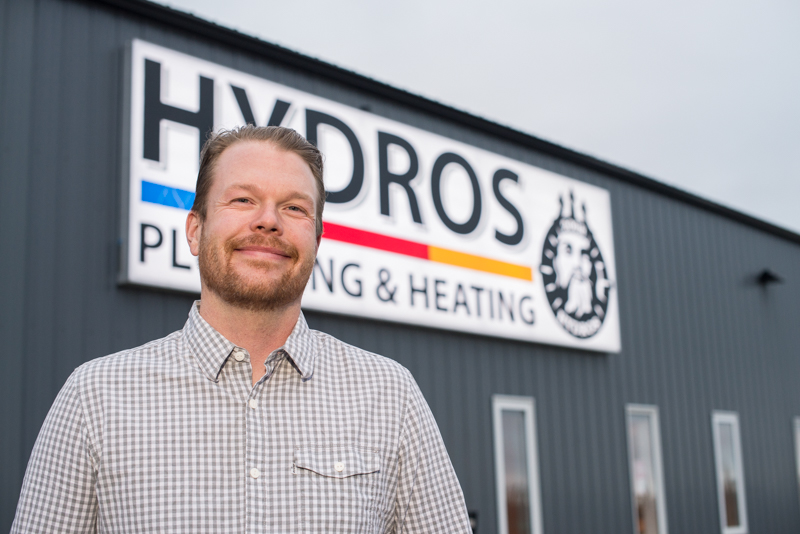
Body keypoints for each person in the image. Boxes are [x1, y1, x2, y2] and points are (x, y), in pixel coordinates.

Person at [12, 125, 471, 533]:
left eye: (294, 207)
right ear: (195, 230)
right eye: (243, 200)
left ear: (316, 240)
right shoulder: (95, 397)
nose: (268, 220)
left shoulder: (390, 395)